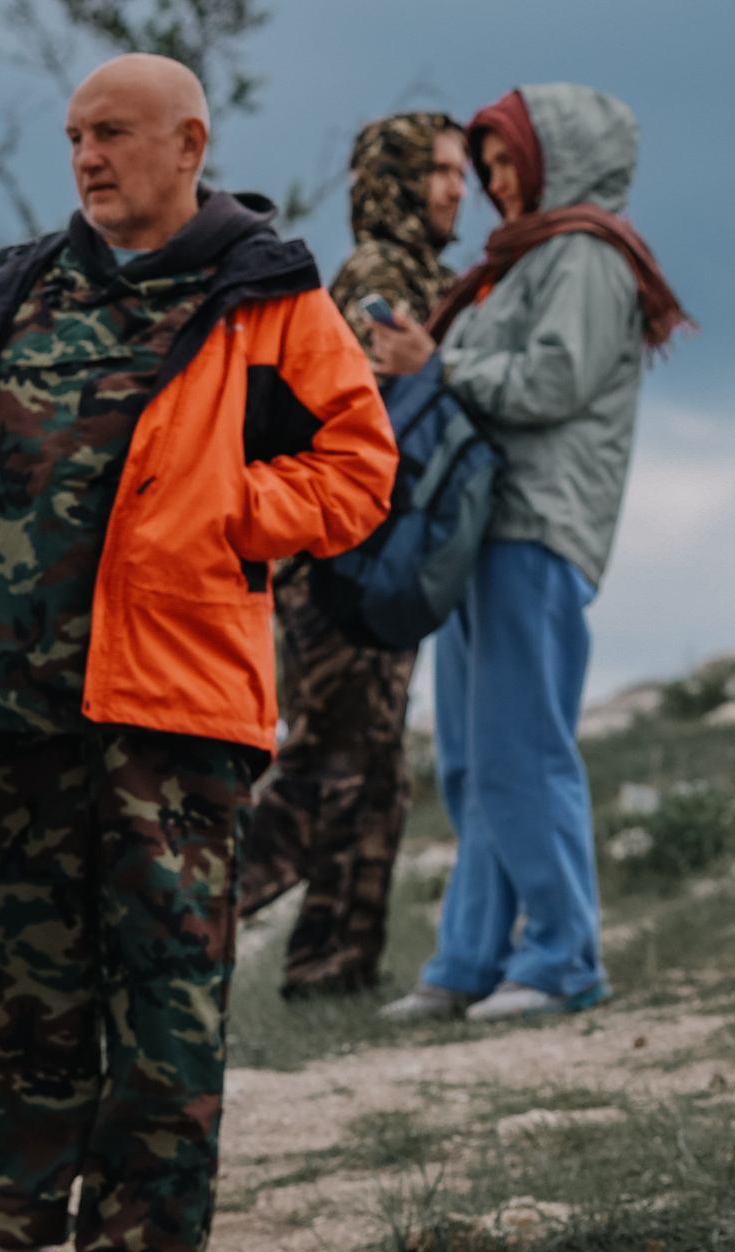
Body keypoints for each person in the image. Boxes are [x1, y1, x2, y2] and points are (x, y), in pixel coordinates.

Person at [0, 55, 394, 1252]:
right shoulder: (15, 290)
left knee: (166, 990)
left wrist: (229, 514)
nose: (87, 157)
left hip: (170, 710)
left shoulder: (263, 296)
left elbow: (357, 468)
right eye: (74, 136)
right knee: (17, 997)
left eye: (112, 134)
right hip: (13, 710)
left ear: (189, 143)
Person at [370, 85, 692, 1024]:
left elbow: (555, 378)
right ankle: (468, 961)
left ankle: (563, 957)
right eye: (489, 167)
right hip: (484, 530)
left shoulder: (586, 256)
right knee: (472, 758)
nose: (496, 184)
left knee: (522, 748)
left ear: (560, 157)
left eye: (509, 162)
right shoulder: (522, 264)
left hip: (535, 527)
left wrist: (439, 363)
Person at [239, 113, 465, 999]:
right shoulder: (377, 280)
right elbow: (379, 431)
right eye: (439, 171)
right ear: (396, 180)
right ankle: (183, 922)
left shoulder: (429, 279)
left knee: (374, 773)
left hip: (378, 563)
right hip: (338, 565)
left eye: (459, 173)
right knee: (328, 765)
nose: (456, 189)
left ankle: (333, 973)